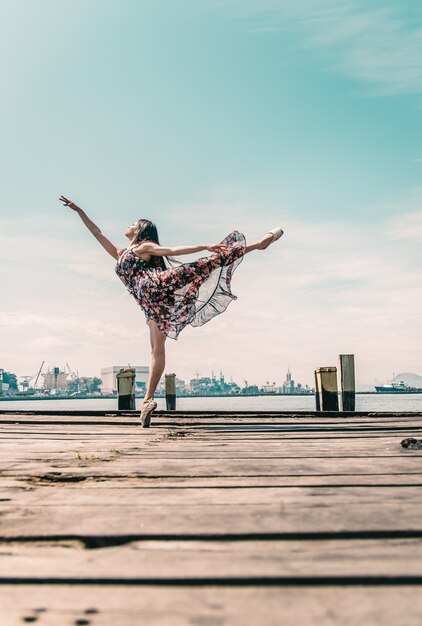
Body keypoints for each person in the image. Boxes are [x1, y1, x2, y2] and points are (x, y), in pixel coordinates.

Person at [59, 195, 284, 426]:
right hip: (154, 304)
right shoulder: (120, 253)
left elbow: (173, 250)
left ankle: (258, 244)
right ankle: (147, 401)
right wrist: (79, 210)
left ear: (140, 230)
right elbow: (96, 232)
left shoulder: (143, 247)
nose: (128, 226)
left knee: (205, 264)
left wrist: (205, 245)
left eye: (132, 224)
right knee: (156, 350)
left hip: (160, 284)